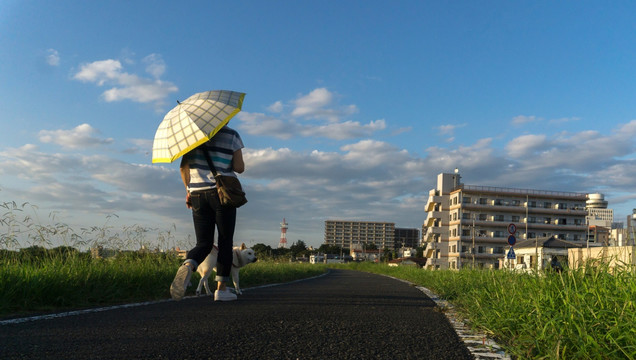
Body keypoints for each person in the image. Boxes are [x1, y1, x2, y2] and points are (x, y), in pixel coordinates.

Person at [170, 125, 245, 302]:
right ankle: (222, 289)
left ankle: (189, 265)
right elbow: (239, 167)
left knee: (203, 243)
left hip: (196, 194)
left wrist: (188, 190)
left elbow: (183, 168)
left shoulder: (190, 136)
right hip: (221, 194)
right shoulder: (231, 134)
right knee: (225, 241)